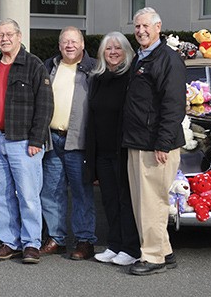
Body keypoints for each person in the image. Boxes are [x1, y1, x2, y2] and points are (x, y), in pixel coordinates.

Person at [0, 18, 54, 264]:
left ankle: (31, 243)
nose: (4, 39)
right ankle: (9, 242)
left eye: (9, 34)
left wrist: (37, 139)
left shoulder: (33, 65)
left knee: (28, 194)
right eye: (0, 35)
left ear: (19, 36)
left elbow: (45, 105)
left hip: (24, 142)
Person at [122, 7, 186, 276]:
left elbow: (173, 105)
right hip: (138, 141)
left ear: (158, 27)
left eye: (146, 26)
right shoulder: (141, 57)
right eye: (137, 27)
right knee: (143, 202)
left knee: (152, 203)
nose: (141, 31)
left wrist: (163, 142)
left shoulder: (168, 59)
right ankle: (164, 250)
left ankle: (153, 257)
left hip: (156, 145)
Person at [40, 26, 97, 260]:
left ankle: (85, 240)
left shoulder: (94, 69)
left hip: (79, 140)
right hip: (52, 139)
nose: (69, 45)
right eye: (65, 42)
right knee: (51, 191)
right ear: (59, 45)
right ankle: (57, 238)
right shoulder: (49, 66)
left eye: (74, 41)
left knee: (82, 192)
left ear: (83, 44)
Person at [86, 32, 141, 266]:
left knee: (125, 200)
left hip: (123, 149)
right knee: (108, 200)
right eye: (108, 49)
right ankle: (114, 244)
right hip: (102, 150)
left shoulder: (131, 77)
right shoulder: (98, 78)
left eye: (118, 48)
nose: (113, 52)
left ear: (126, 51)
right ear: (102, 53)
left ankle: (131, 248)